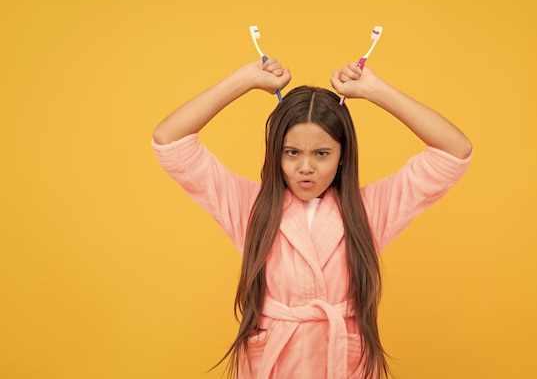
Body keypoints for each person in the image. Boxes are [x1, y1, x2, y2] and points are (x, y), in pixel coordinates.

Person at [152, 57, 472, 379]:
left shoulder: (368, 211)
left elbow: (454, 151)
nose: (306, 167)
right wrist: (245, 79)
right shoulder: (250, 207)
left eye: (321, 153)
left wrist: (376, 90)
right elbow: (170, 142)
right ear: (275, 152)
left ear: (342, 153)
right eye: (292, 152)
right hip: (272, 366)